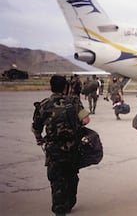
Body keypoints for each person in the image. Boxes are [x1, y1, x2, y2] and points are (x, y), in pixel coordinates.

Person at [31, 75, 90, 215]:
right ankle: (69, 202)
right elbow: (86, 120)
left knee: (57, 179)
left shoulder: (44, 104)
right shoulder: (74, 102)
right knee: (71, 175)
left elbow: (36, 127)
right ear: (66, 87)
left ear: (51, 87)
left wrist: (39, 139)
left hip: (53, 149)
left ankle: (59, 208)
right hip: (72, 147)